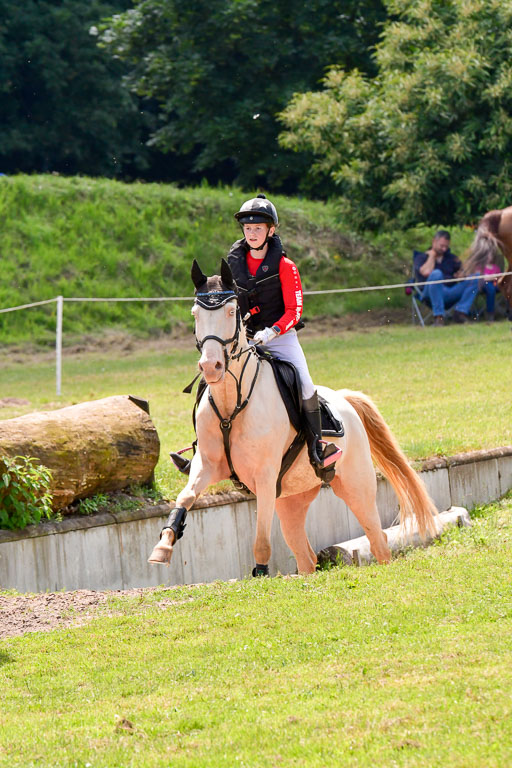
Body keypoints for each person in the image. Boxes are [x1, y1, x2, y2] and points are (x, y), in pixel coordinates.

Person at [227, 193, 342, 480]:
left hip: (281, 338)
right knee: (216, 378)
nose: (252, 234)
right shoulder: (233, 265)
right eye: (247, 228)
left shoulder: (286, 266)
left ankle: (317, 448)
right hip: (247, 339)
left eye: (258, 228)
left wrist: (274, 331)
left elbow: (295, 309)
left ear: (271, 230)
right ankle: (205, 447)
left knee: (305, 384)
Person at [413, 230, 479, 325]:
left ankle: (460, 312)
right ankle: (439, 317)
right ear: (434, 241)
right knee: (436, 274)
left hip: (450, 291)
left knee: (475, 277)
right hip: (429, 293)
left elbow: (464, 271)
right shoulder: (421, 257)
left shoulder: (451, 258)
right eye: (441, 246)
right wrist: (432, 256)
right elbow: (426, 272)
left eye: (446, 246)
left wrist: (461, 275)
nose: (444, 249)